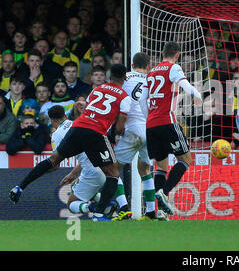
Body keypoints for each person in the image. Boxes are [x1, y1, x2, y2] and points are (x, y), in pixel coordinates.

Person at [9, 64, 132, 222]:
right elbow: (120, 127)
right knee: (113, 173)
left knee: (53, 160)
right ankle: (101, 213)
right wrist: (119, 133)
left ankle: (20, 186)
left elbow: (92, 108)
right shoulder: (124, 96)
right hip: (96, 132)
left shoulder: (97, 90)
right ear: (125, 78)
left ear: (109, 77)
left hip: (78, 127)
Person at [139, 41, 202, 216]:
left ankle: (160, 212)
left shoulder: (150, 72)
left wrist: (149, 119)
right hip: (167, 121)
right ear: (177, 55)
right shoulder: (173, 68)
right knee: (186, 160)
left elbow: (142, 101)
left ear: (161, 52)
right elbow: (185, 85)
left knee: (161, 167)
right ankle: (164, 192)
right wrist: (197, 96)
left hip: (151, 125)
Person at [113, 52, 165, 221]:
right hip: (150, 129)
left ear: (132, 65)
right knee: (144, 169)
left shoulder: (125, 77)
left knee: (110, 169)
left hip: (133, 127)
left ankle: (123, 207)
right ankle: (151, 212)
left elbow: (117, 99)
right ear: (148, 66)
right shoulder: (153, 79)